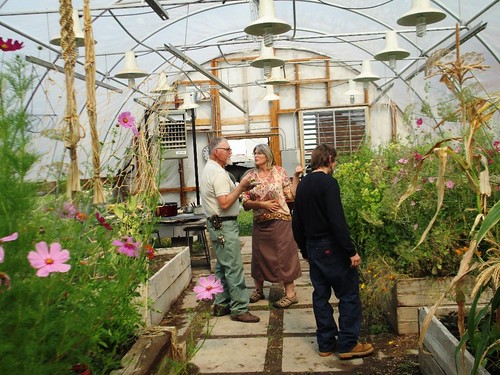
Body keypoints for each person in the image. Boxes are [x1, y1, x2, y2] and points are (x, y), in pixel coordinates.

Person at [291, 144, 374, 359]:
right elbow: (337, 221)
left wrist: (304, 249)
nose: (335, 164)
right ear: (329, 159)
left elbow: (296, 221)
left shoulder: (303, 184)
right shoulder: (329, 183)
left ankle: (326, 344)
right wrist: (350, 251)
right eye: (335, 161)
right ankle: (348, 344)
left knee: (321, 296)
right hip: (331, 247)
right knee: (348, 294)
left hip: (312, 246)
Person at [199, 137, 260, 323]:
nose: (230, 152)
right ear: (217, 152)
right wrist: (241, 186)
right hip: (224, 224)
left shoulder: (210, 170)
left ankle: (221, 303)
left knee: (222, 266)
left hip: (217, 224)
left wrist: (241, 189)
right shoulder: (217, 173)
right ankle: (239, 308)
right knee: (233, 267)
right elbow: (224, 203)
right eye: (227, 149)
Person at [240, 144, 302, 308]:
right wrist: (262, 204)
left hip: (281, 221)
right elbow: (245, 203)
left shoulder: (280, 172)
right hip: (260, 222)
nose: (256, 155)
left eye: (259, 152)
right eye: (254, 152)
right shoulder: (250, 176)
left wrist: (296, 176)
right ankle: (258, 291)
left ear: (268, 155)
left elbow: (291, 194)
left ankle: (290, 293)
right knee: (259, 256)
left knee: (284, 256)